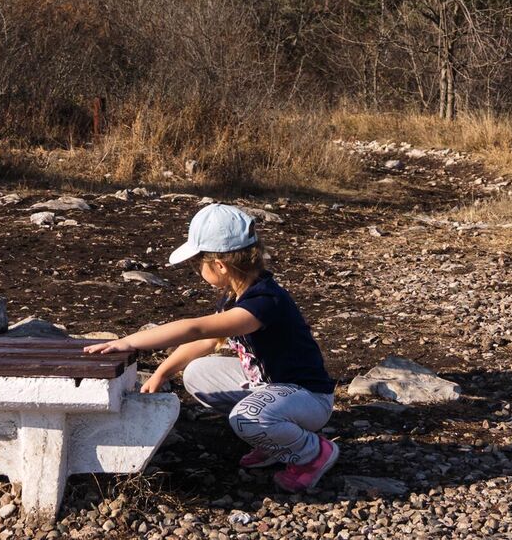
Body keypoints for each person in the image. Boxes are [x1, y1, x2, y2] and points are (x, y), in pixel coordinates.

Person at [85, 204, 338, 492]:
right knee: (197, 373)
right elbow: (205, 341)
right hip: (273, 389)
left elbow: (196, 328)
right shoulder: (236, 296)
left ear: (219, 265)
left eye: (197, 264)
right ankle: (274, 440)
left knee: (245, 417)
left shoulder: (265, 302)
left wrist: (130, 342)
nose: (196, 270)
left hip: (309, 398)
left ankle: (313, 454)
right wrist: (162, 373)